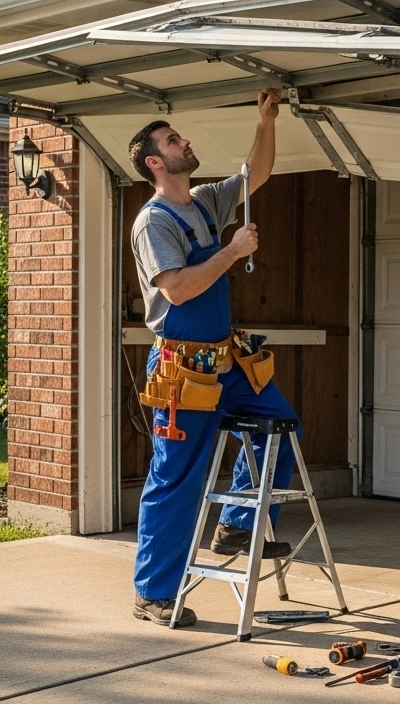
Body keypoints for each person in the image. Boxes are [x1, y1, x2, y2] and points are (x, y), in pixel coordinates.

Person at [127, 88, 299, 628]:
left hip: (226, 362)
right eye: (175, 141)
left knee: (280, 424)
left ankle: (236, 524)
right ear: (156, 162)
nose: (186, 143)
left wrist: (266, 121)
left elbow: (256, 174)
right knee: (176, 480)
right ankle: (153, 594)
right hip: (182, 371)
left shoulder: (204, 201)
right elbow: (176, 289)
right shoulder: (154, 222)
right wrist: (232, 251)